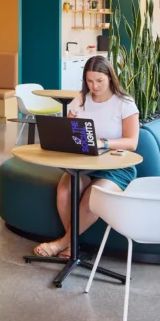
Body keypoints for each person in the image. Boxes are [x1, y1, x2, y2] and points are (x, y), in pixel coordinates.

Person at [34, 55, 140, 259]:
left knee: (94, 196)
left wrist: (104, 143)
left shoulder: (124, 103)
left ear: (110, 77)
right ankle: (73, 247)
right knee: (65, 191)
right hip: (83, 163)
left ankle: (63, 244)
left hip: (115, 167)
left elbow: (132, 142)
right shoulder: (81, 99)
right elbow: (66, 129)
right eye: (90, 81)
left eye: (99, 80)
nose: (94, 86)